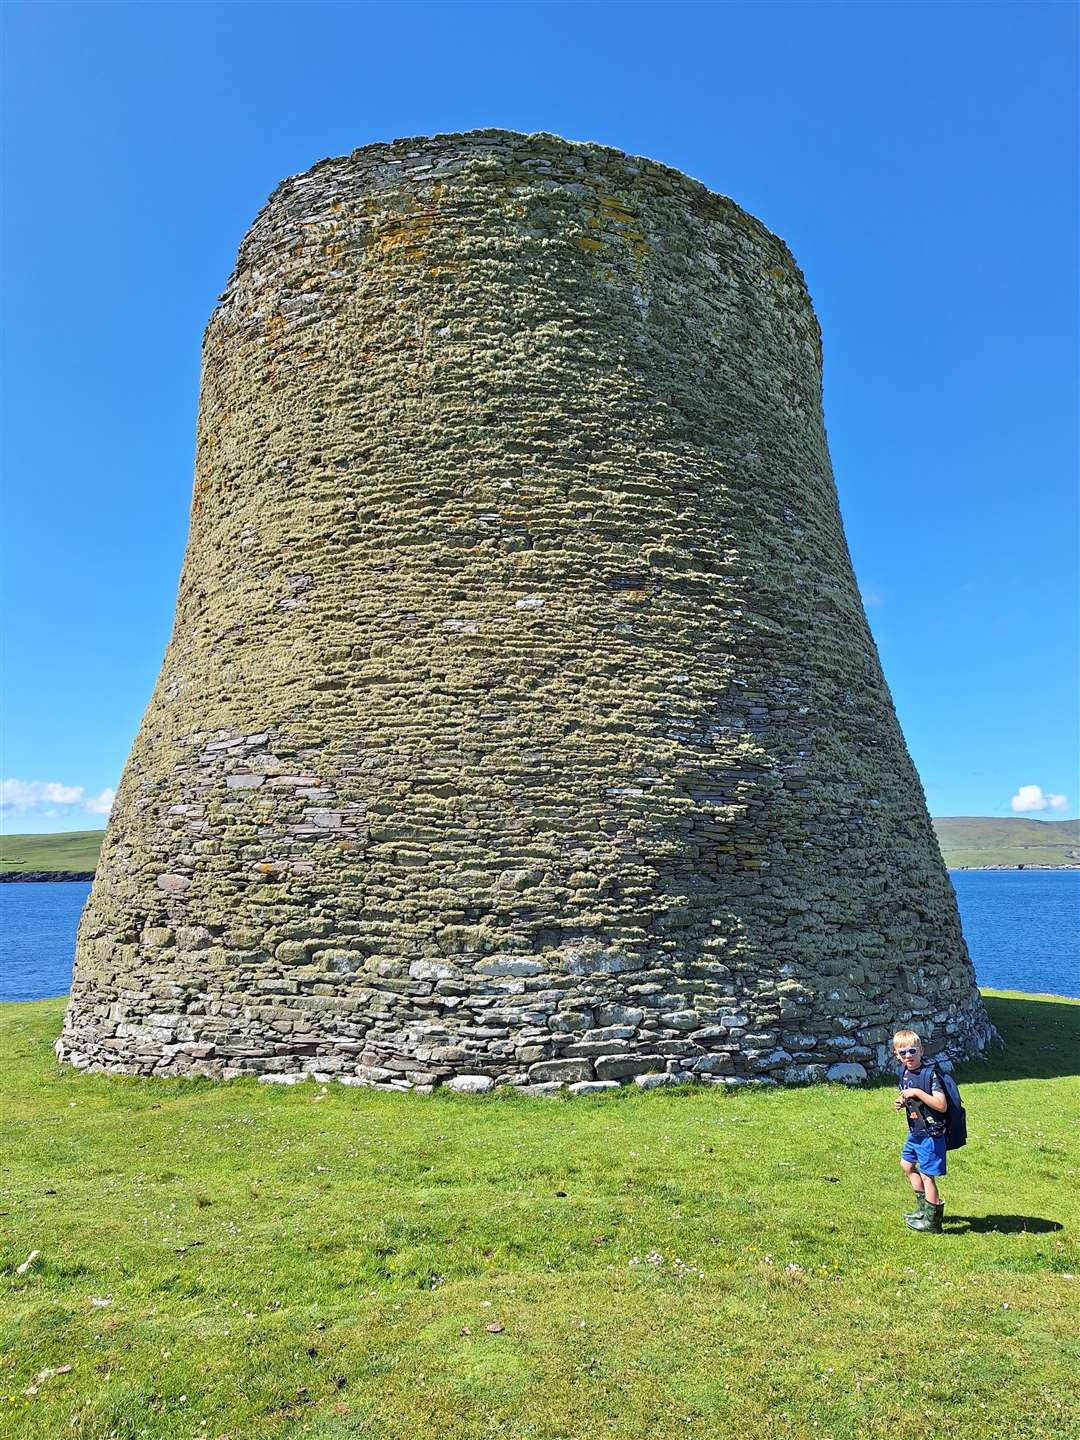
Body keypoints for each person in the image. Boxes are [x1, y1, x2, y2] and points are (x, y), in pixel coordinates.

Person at [892, 1028, 948, 1233]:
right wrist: (901, 1100)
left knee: (927, 1174)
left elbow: (941, 1105)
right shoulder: (905, 1073)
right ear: (896, 1055)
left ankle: (933, 1223)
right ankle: (923, 1209)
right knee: (907, 1165)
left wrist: (916, 1092)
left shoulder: (929, 1074)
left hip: (931, 1133)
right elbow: (908, 1095)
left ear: (921, 1051)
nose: (908, 1056)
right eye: (903, 1052)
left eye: (912, 1051)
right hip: (916, 1131)